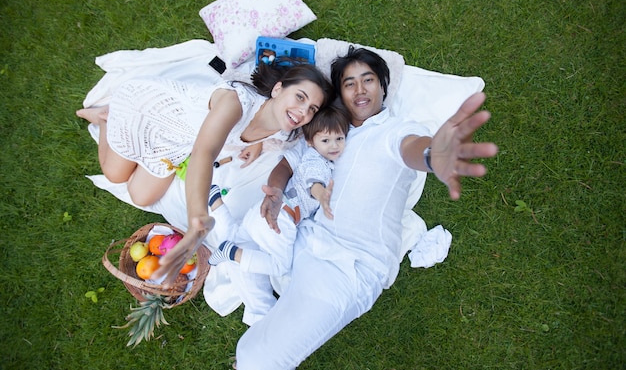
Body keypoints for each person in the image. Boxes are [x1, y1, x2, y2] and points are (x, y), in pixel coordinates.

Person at [155, 46, 497, 369]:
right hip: (304, 235)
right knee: (249, 248)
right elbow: (290, 161)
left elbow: (413, 149)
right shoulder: (333, 131)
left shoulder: (397, 130)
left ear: (383, 86)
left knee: (263, 359)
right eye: (349, 83)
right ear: (340, 94)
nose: (360, 90)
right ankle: (260, 313)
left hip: (349, 265)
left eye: (369, 80)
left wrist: (431, 155)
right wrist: (275, 189)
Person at [76, 57, 336, 210]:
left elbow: (267, 136)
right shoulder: (235, 101)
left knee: (141, 197)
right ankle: (105, 117)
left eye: (311, 108)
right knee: (114, 174)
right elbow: (204, 152)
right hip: (148, 110)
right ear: (278, 89)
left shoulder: (283, 132)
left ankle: (111, 124)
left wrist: (258, 143)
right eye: (300, 97)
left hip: (176, 142)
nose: (302, 112)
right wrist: (198, 213)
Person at [206, 104, 351, 325]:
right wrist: (322, 196)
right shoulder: (317, 162)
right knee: (280, 265)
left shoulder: (315, 156)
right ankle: (232, 253)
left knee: (240, 233)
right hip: (282, 218)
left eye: (339, 139)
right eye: (326, 140)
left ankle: (217, 206)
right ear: (311, 142)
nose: (334, 146)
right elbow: (314, 182)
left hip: (259, 213)